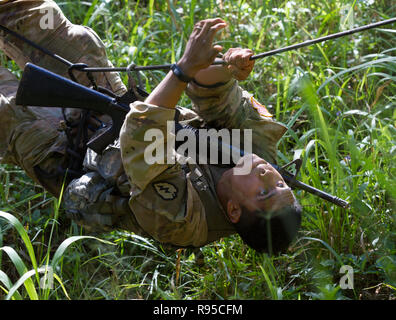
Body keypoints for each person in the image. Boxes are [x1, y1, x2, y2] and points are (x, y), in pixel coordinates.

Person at [0, 1, 301, 254]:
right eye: (280, 184)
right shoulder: (258, 149)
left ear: (234, 210)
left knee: (5, 111)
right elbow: (214, 94)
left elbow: (143, 138)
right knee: (74, 39)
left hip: (65, 153)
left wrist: (181, 71)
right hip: (113, 106)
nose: (267, 174)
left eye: (263, 193)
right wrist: (225, 67)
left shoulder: (183, 221)